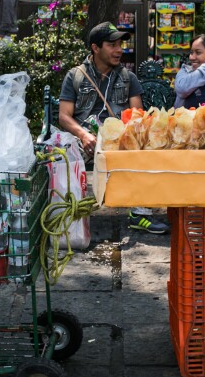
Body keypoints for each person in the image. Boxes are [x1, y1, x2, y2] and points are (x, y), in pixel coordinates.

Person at [58, 21, 169, 235]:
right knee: (64, 158)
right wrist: (83, 135)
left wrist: (125, 137)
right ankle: (70, 216)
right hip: (86, 139)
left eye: (120, 45)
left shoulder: (128, 78)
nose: (119, 50)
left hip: (119, 140)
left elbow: (136, 116)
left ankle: (140, 214)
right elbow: (64, 116)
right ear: (95, 47)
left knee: (143, 151)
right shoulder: (76, 76)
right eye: (112, 45)